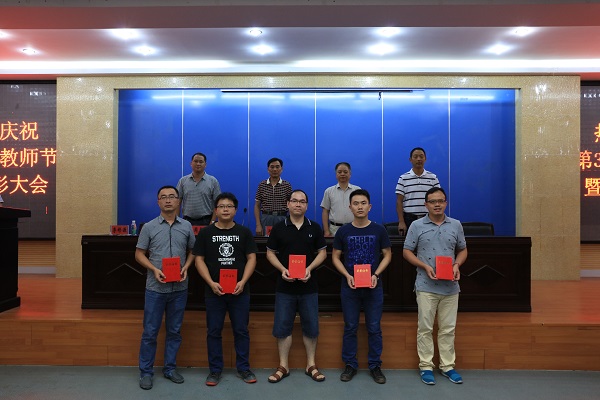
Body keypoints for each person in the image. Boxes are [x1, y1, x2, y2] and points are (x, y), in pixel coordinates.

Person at [402, 187, 468, 386]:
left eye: (440, 201)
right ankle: (426, 366)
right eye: (432, 201)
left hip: (450, 287)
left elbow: (463, 250)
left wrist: (457, 265)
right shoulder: (416, 225)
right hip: (425, 285)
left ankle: (447, 366)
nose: (437, 204)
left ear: (446, 203)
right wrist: (424, 266)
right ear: (426, 205)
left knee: (448, 328)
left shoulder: (455, 224)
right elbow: (406, 251)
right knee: (425, 328)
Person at [193, 192, 258, 386]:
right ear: (215, 210)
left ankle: (244, 368)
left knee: (241, 330)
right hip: (214, 292)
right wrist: (211, 283)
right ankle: (215, 371)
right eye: (221, 206)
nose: (225, 209)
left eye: (229, 206)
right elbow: (199, 260)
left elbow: (252, 259)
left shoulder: (244, 232)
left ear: (235, 210)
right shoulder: (206, 233)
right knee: (214, 331)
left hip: (240, 291)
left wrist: (243, 281)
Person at [135, 185, 196, 390]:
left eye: (172, 196)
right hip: (155, 288)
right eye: (164, 197)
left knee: (174, 331)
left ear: (178, 201)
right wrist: (154, 269)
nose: (168, 200)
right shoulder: (149, 227)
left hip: (179, 288)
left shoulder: (186, 226)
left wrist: (186, 267)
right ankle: (146, 372)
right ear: (158, 202)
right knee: (150, 332)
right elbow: (139, 254)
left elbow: (193, 250)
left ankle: (170, 369)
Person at [265, 189, 328, 383]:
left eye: (302, 201)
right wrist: (282, 269)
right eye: (294, 201)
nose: (298, 204)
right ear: (288, 204)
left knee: (311, 327)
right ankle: (283, 366)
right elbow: (270, 253)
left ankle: (311, 365)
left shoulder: (314, 227)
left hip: (309, 287)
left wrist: (309, 268)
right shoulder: (279, 228)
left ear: (307, 206)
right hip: (285, 287)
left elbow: (323, 253)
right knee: (282, 327)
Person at [332, 189, 392, 384]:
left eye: (363, 203)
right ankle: (350, 364)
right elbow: (335, 257)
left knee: (374, 327)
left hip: (374, 287)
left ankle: (375, 365)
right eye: (356, 203)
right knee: (350, 327)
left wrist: (376, 274)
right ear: (350, 207)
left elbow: (387, 255)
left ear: (370, 206)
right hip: (349, 286)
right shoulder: (343, 231)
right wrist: (347, 275)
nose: (360, 207)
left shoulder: (379, 230)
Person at [395, 147, 440, 235]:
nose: (419, 159)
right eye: (415, 157)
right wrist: (401, 221)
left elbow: (438, 200)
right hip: (409, 219)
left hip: (429, 218)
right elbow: (399, 202)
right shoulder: (403, 178)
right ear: (410, 160)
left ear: (425, 159)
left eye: (421, 156)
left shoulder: (433, 178)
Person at [176, 152, 221, 226]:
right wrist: (177, 220)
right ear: (191, 163)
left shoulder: (213, 181)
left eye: (201, 162)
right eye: (196, 161)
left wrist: (212, 222)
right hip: (187, 221)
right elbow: (177, 202)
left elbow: (217, 203)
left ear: (205, 164)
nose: (198, 164)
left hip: (206, 221)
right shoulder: (183, 181)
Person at [320, 162, 361, 237]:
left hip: (354, 228)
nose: (342, 174)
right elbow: (325, 211)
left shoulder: (357, 190)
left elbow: (362, 210)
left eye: (345, 172)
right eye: (339, 172)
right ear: (336, 174)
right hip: (334, 230)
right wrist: (326, 231)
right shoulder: (329, 191)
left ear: (350, 174)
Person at [254, 157, 292, 236]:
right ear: (268, 169)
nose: (275, 169)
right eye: (272, 167)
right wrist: (258, 225)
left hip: (282, 218)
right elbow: (257, 206)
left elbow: (291, 206)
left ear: (281, 169)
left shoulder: (287, 185)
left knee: (282, 240)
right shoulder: (262, 185)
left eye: (277, 167)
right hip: (267, 218)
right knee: (268, 241)